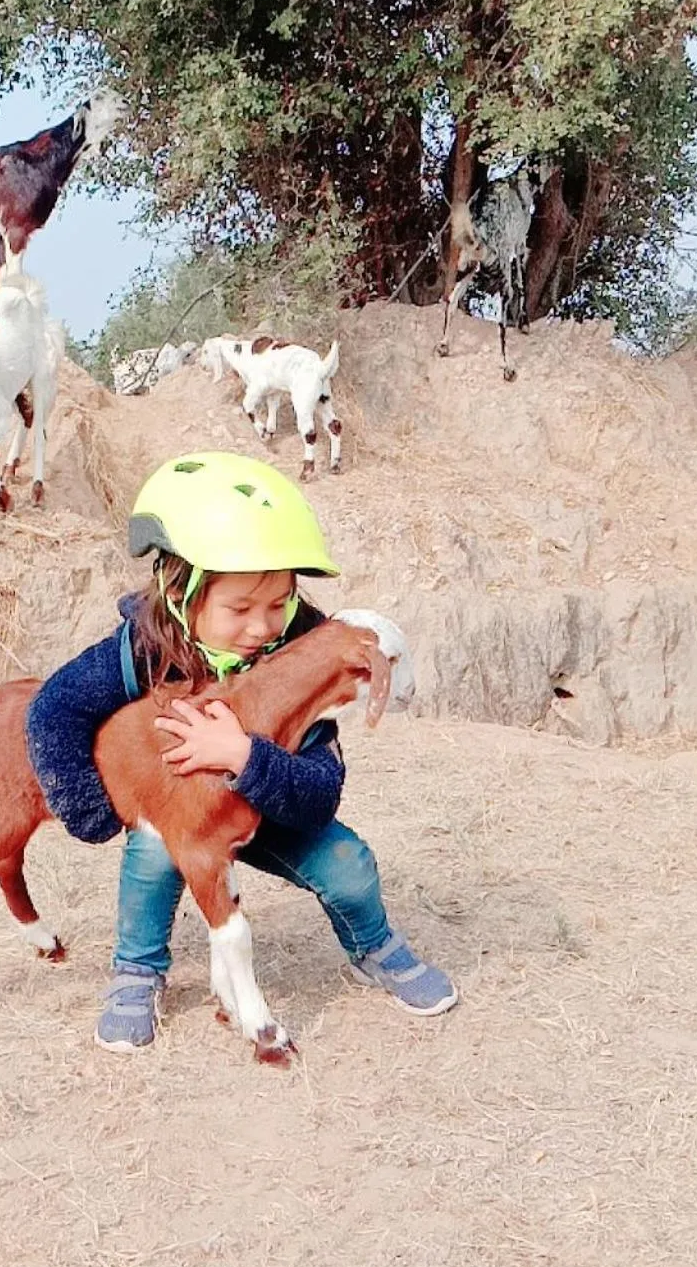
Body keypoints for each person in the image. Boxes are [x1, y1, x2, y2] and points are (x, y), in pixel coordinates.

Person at [25, 451, 458, 1052]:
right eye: (239, 608)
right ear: (181, 591)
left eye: (278, 604)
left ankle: (373, 944)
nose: (261, 626)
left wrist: (245, 757)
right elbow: (56, 708)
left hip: (271, 809)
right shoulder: (143, 647)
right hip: (187, 814)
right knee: (153, 849)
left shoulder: (305, 657)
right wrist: (92, 812)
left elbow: (320, 792)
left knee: (348, 865)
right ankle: (138, 967)